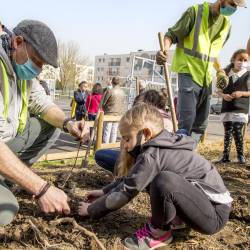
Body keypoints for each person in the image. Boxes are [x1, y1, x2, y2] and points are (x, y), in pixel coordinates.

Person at [78, 104, 232, 250]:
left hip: (213, 215)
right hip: (201, 205)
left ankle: (159, 233)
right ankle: (177, 220)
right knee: (155, 179)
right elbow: (131, 179)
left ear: (146, 134)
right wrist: (104, 192)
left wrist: (91, 210)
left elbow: (124, 194)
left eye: (127, 139)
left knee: (164, 181)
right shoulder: (160, 146)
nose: (124, 145)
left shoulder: (152, 156)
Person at [0, 20, 89, 225]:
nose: (38, 70)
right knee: (6, 211)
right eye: (37, 61)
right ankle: (12, 176)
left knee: (53, 126)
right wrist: (41, 189)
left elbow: (42, 103)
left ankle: (7, 177)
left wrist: (68, 123)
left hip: (6, 141)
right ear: (18, 42)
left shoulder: (19, 67)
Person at [156, 0, 246, 145]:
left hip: (206, 77)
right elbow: (172, 35)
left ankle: (189, 155)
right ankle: (179, 157)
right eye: (232, 4)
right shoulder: (195, 12)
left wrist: (220, 71)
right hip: (188, 71)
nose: (234, 8)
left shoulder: (226, 25)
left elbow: (214, 52)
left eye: (236, 6)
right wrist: (164, 50)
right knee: (187, 122)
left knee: (201, 125)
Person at [95, 88, 174, 173]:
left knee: (100, 154)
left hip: (144, 164)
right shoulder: (166, 118)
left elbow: (128, 149)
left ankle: (128, 173)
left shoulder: (150, 120)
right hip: (147, 161)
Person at [216, 49, 250, 164]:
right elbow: (218, 91)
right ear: (233, 60)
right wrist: (223, 95)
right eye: (240, 59)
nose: (242, 62)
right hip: (227, 107)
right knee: (228, 131)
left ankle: (241, 155)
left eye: (245, 60)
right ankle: (225, 156)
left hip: (241, 108)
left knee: (237, 130)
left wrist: (241, 93)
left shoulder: (248, 75)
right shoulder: (224, 74)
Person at [101, 76, 125, 143]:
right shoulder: (122, 92)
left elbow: (103, 102)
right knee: (114, 131)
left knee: (107, 131)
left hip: (109, 113)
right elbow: (123, 103)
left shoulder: (110, 91)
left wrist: (103, 108)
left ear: (112, 82)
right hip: (118, 114)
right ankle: (112, 146)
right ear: (119, 83)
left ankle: (105, 146)